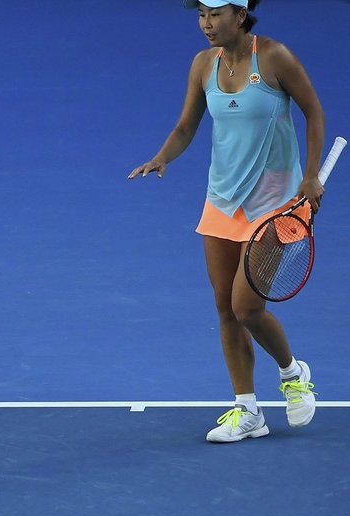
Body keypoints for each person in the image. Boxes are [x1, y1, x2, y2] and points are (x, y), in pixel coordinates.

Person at [128, 0, 324, 442]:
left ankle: (293, 373)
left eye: (215, 14)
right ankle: (248, 410)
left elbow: (315, 112)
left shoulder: (274, 57)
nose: (206, 24)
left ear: (240, 15)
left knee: (247, 308)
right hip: (222, 199)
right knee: (224, 307)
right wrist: (162, 157)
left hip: (274, 203)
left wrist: (309, 176)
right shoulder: (203, 64)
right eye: (201, 15)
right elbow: (185, 128)